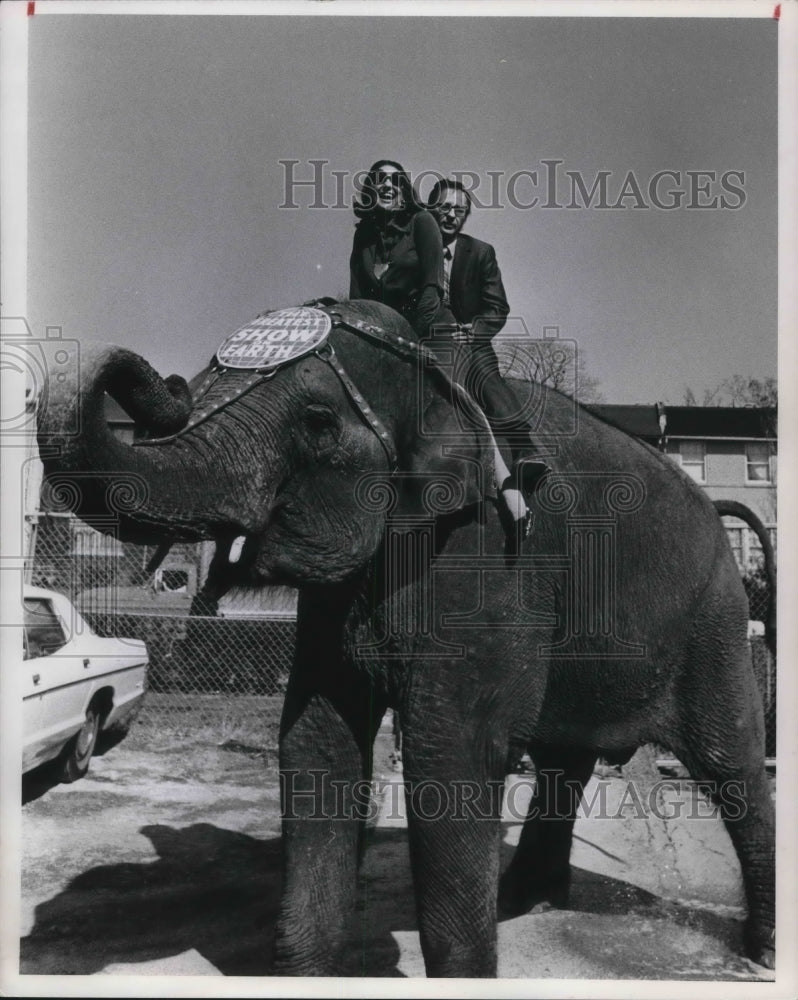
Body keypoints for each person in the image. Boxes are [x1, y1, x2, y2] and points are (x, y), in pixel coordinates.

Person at [427, 177, 550, 509]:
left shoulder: (481, 252)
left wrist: (474, 329)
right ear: (430, 209)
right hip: (424, 338)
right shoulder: (413, 249)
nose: (452, 215)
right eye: (445, 207)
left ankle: (525, 448)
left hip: (469, 341)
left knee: (486, 377)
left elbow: (498, 307)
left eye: (460, 210)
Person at [349, 159, 445, 339]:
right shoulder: (362, 235)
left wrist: (408, 340)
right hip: (385, 335)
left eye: (396, 181)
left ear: (404, 193)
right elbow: (357, 301)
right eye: (380, 179)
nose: (387, 185)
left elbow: (432, 290)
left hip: (429, 329)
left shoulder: (423, 221)